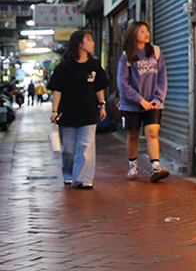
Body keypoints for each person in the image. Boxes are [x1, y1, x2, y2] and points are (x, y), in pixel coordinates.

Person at [48, 29, 109, 188]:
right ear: (79, 43)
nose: (92, 43)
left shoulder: (94, 65)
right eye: (89, 40)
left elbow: (99, 88)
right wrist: (55, 111)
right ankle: (68, 174)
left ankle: (83, 179)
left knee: (86, 147)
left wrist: (102, 105)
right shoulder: (64, 67)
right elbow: (57, 90)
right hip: (67, 113)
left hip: (88, 112)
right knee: (68, 150)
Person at [117, 20, 169, 183]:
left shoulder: (156, 52)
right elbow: (122, 83)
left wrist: (157, 98)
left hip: (153, 103)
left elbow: (162, 78)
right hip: (132, 104)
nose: (146, 34)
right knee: (132, 135)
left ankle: (155, 167)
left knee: (152, 132)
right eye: (142, 31)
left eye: (147, 31)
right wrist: (139, 100)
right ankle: (133, 166)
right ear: (133, 34)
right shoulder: (127, 56)